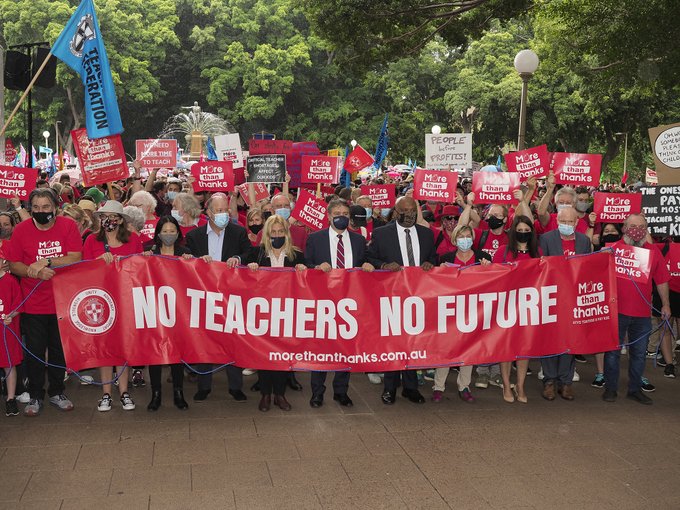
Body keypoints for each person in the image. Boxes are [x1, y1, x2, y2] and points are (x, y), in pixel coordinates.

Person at [6, 188, 82, 416]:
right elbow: (14, 263)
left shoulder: (68, 226)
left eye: (46, 207)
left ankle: (58, 391)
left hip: (63, 301)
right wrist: (34, 273)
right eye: (36, 208)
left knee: (59, 350)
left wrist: (47, 261)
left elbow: (75, 257)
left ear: (55, 208)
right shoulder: (20, 230)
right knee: (35, 351)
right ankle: (36, 395)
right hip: (33, 304)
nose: (41, 211)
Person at [366, 196, 436, 405]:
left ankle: (411, 388)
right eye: (405, 211)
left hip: (418, 296)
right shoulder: (381, 234)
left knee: (414, 341)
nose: (410, 215)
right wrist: (384, 266)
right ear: (396, 212)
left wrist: (428, 263)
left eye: (413, 210)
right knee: (393, 343)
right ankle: (390, 388)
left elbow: (433, 258)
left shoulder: (426, 234)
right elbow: (369, 257)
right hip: (392, 295)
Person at [304, 199, 374, 408]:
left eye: (345, 212)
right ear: (328, 216)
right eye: (337, 212)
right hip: (323, 302)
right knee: (321, 349)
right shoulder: (315, 239)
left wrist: (368, 265)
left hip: (349, 304)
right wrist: (316, 267)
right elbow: (305, 264)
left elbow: (363, 263)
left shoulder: (358, 240)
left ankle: (341, 391)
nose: (342, 215)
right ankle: (317, 392)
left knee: (346, 347)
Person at [185, 192, 252, 403]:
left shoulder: (239, 232)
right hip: (204, 297)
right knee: (205, 340)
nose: (224, 214)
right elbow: (185, 261)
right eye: (219, 210)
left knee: (232, 340)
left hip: (231, 297)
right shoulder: (194, 236)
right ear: (209, 213)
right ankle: (204, 385)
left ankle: (235, 386)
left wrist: (238, 258)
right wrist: (195, 260)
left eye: (226, 210)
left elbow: (249, 253)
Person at [603, 214, 670, 405]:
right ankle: (610, 388)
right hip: (617, 311)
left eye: (641, 227)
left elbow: (662, 280)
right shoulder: (613, 250)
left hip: (642, 314)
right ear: (624, 228)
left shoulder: (653, 252)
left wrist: (665, 304)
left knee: (639, 354)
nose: (637, 230)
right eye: (633, 226)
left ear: (646, 229)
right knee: (613, 352)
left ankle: (634, 389)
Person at [83, 201, 143, 412]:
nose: (108, 220)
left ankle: (124, 391)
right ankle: (106, 394)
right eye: (104, 216)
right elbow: (83, 270)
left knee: (123, 346)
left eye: (113, 216)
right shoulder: (91, 240)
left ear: (121, 220)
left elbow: (140, 268)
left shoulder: (133, 239)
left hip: (125, 299)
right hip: (101, 302)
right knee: (105, 348)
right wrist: (98, 261)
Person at [247, 215, 307, 411]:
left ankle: (280, 395)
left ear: (287, 234)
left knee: (282, 355)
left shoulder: (296, 255)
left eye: (281, 232)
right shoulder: (256, 254)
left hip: (287, 314)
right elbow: (241, 276)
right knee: (263, 355)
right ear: (266, 234)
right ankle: (265, 394)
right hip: (262, 313)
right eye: (273, 232)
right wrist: (250, 269)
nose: (277, 235)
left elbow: (308, 282)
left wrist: (304, 270)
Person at [539, 206, 592, 401]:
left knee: (571, 340)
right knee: (550, 340)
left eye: (570, 222)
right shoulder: (546, 239)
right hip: (552, 298)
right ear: (557, 221)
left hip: (574, 299)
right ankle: (549, 381)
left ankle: (566, 381)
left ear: (577, 222)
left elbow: (587, 269)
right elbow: (540, 268)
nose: (567, 225)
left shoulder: (584, 241)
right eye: (563, 222)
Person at [433, 225, 491, 404]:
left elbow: (493, 281)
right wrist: (440, 270)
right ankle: (438, 386)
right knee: (446, 347)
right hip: (450, 310)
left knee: (469, 347)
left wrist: (488, 268)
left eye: (468, 236)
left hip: (474, 310)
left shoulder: (483, 257)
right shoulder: (446, 258)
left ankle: (464, 386)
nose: (464, 239)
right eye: (461, 236)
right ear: (455, 239)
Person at [145, 216, 193, 411]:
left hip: (178, 310)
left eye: (172, 230)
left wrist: (194, 262)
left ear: (178, 233)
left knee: (177, 352)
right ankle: (155, 393)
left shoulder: (185, 252)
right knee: (155, 352)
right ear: (158, 233)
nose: (168, 234)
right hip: (155, 309)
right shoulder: (150, 253)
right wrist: (143, 260)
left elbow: (197, 277)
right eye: (165, 231)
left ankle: (178, 392)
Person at [493, 215, 542, 403]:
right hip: (506, 306)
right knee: (506, 347)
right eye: (519, 230)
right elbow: (493, 277)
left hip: (529, 307)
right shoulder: (504, 252)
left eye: (526, 231)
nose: (523, 234)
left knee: (524, 347)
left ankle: (520, 385)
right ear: (513, 232)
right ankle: (506, 384)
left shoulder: (537, 252)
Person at [0, 258, 22, 417]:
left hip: (7, 331)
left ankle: (11, 398)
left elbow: (19, 304)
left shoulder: (10, 281)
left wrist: (11, 315)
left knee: (9, 364)